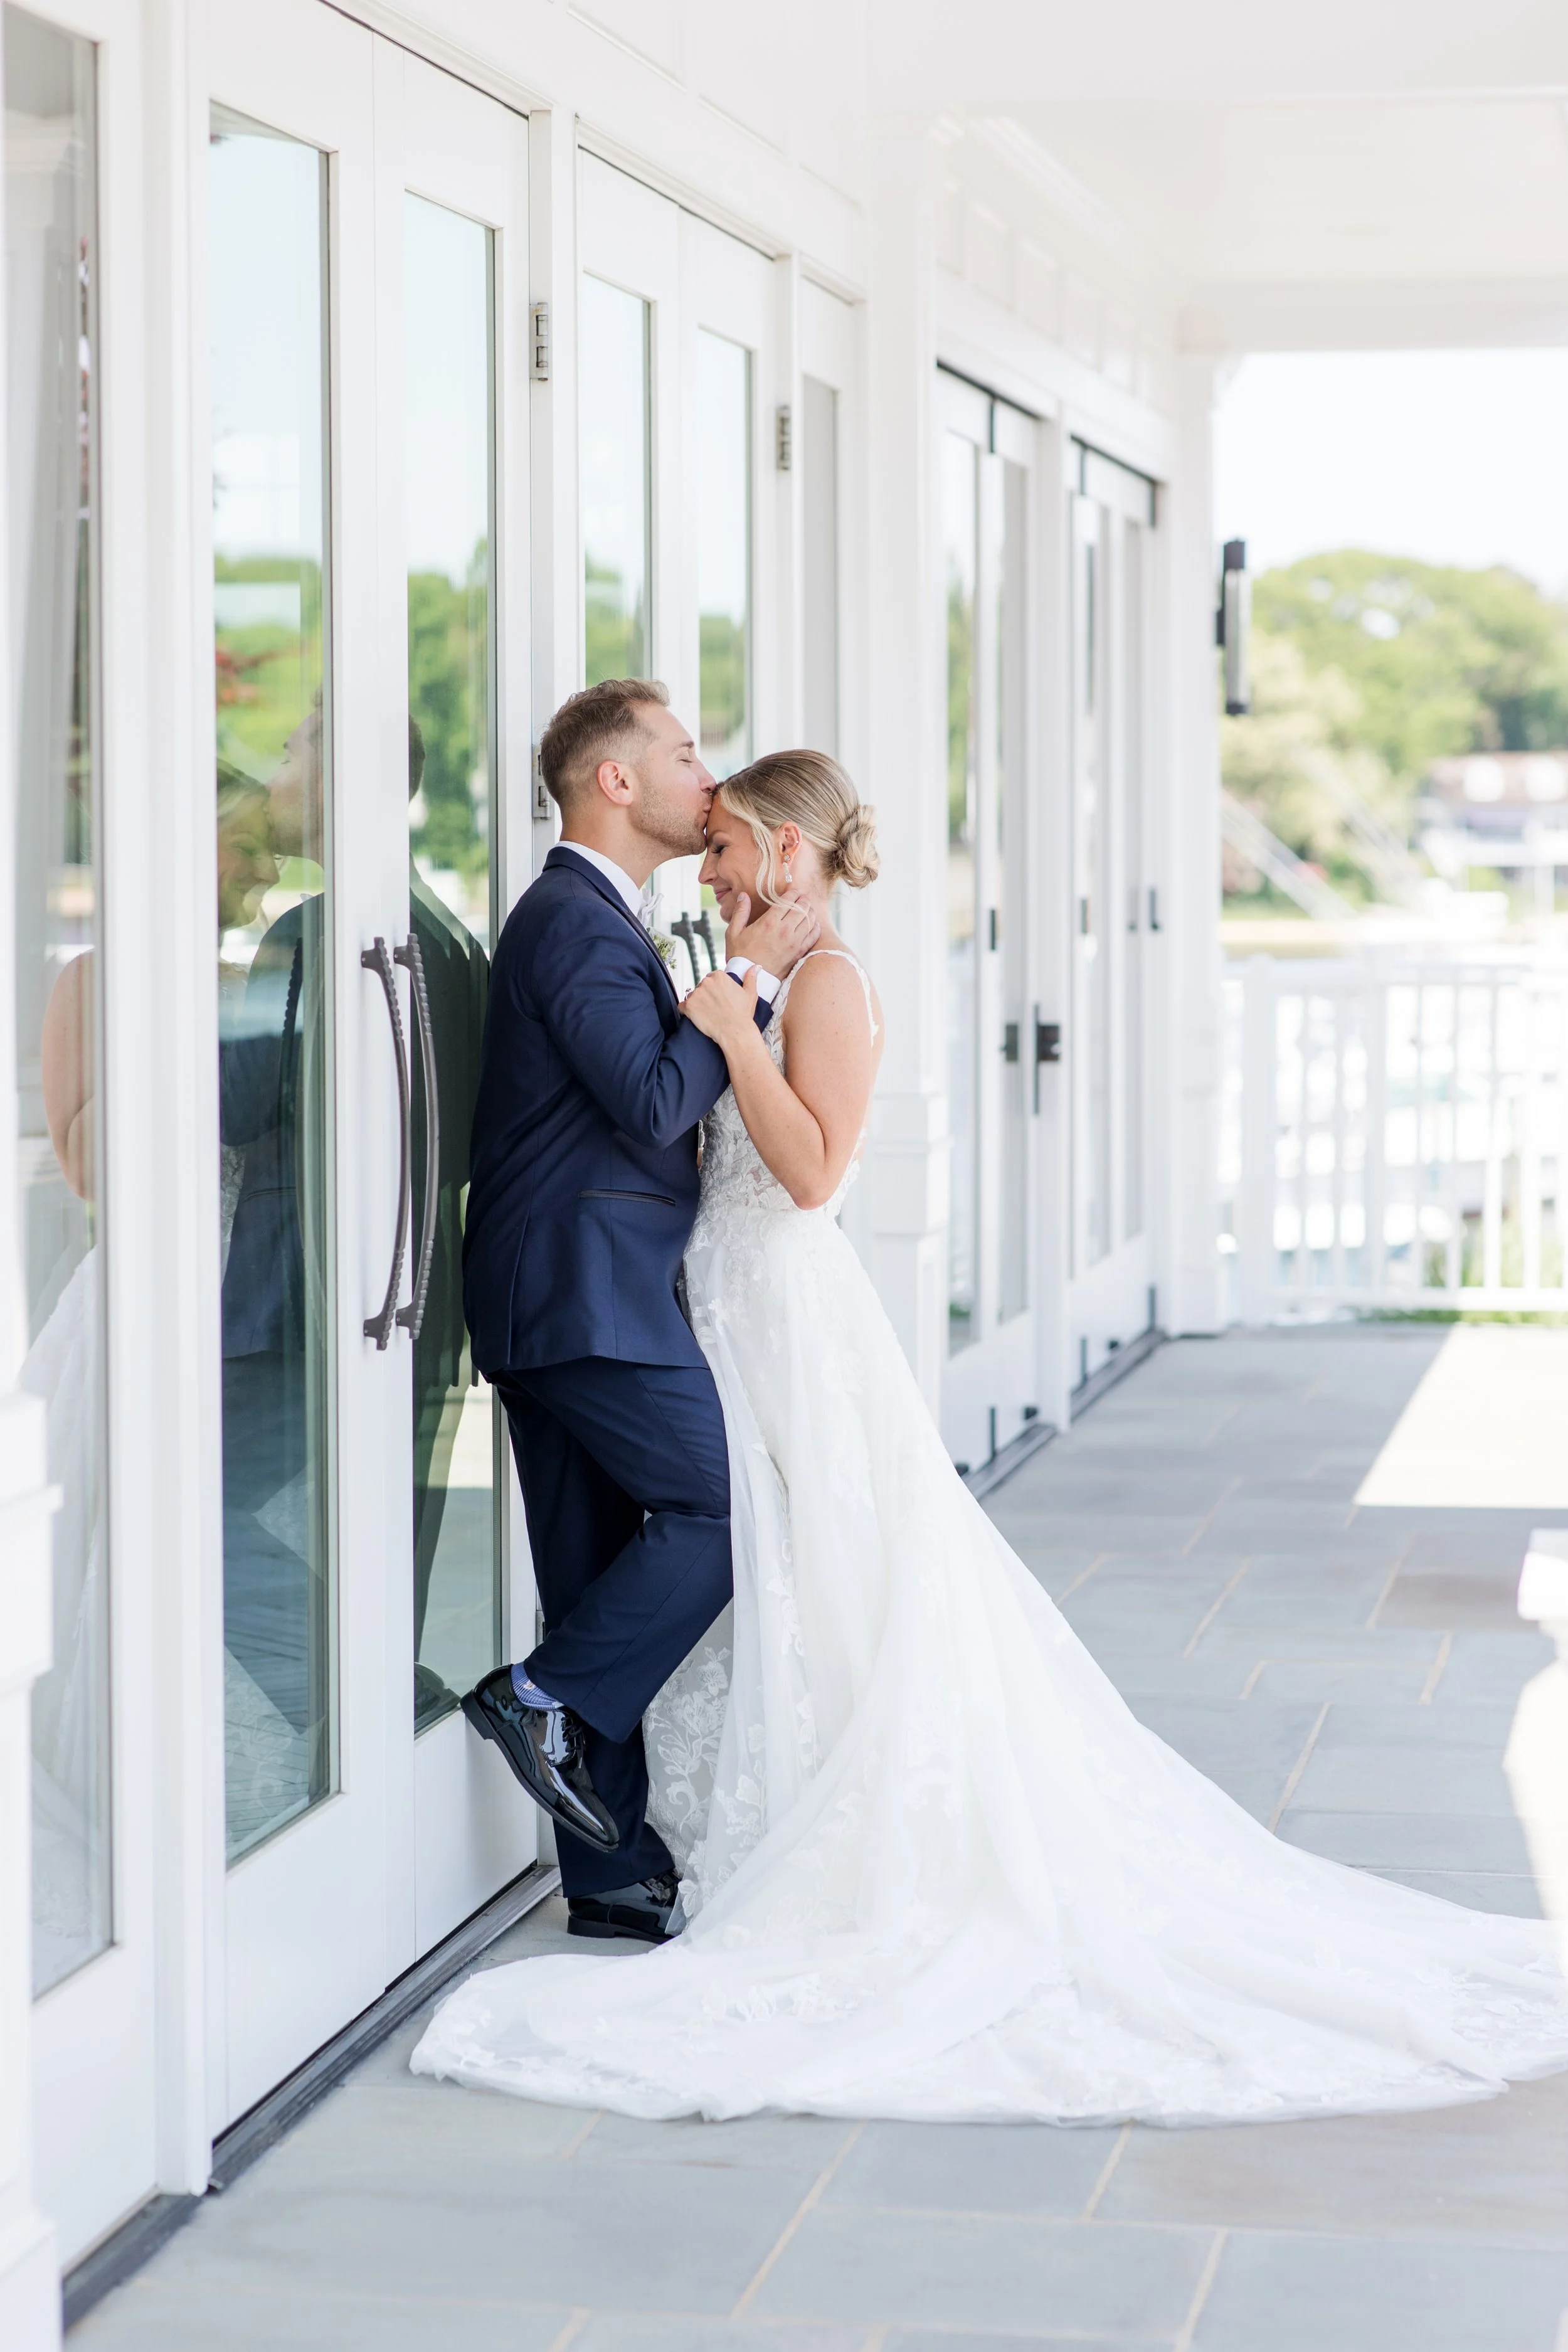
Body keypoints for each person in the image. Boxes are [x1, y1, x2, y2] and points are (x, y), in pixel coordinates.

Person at [414, 747, 1568, 2126]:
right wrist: (723, 1019)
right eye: (705, 844)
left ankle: (654, 1783)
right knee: (762, 1560)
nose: (710, 870)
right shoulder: (737, 972)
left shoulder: (825, 985)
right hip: (707, 1306)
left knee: (806, 1553)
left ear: (788, 854)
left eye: (726, 847)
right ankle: (659, 1828)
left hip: (780, 1301)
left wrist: (732, 1027)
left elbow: (810, 1175)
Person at [457, 678, 819, 1944]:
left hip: (574, 1292)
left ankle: (608, 1881)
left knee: (597, 1569)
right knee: (724, 1509)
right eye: (680, 753)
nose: (704, 777)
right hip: (580, 1292)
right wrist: (752, 978)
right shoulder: (570, 921)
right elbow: (657, 1101)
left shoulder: (604, 921)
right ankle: (539, 1696)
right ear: (613, 781)